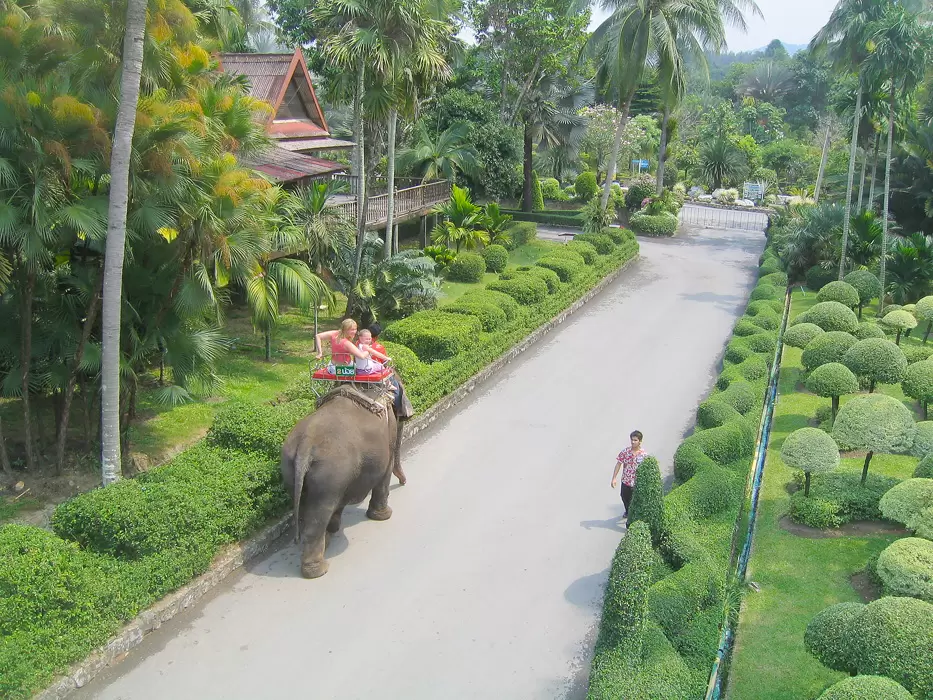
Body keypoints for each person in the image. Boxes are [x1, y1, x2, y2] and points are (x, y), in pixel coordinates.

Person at [367, 323, 414, 421]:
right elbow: (384, 364)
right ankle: (399, 411)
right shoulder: (378, 347)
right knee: (397, 389)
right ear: (377, 336)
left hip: (360, 373)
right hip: (376, 374)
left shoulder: (359, 344)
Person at [611, 430, 647, 516]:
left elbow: (646, 468)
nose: (633, 442)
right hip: (626, 480)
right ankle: (628, 511)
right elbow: (618, 464)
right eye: (632, 440)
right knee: (624, 497)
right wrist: (614, 478)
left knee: (635, 500)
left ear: (640, 441)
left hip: (637, 482)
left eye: (635, 440)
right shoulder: (625, 452)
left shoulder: (643, 455)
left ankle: (632, 516)